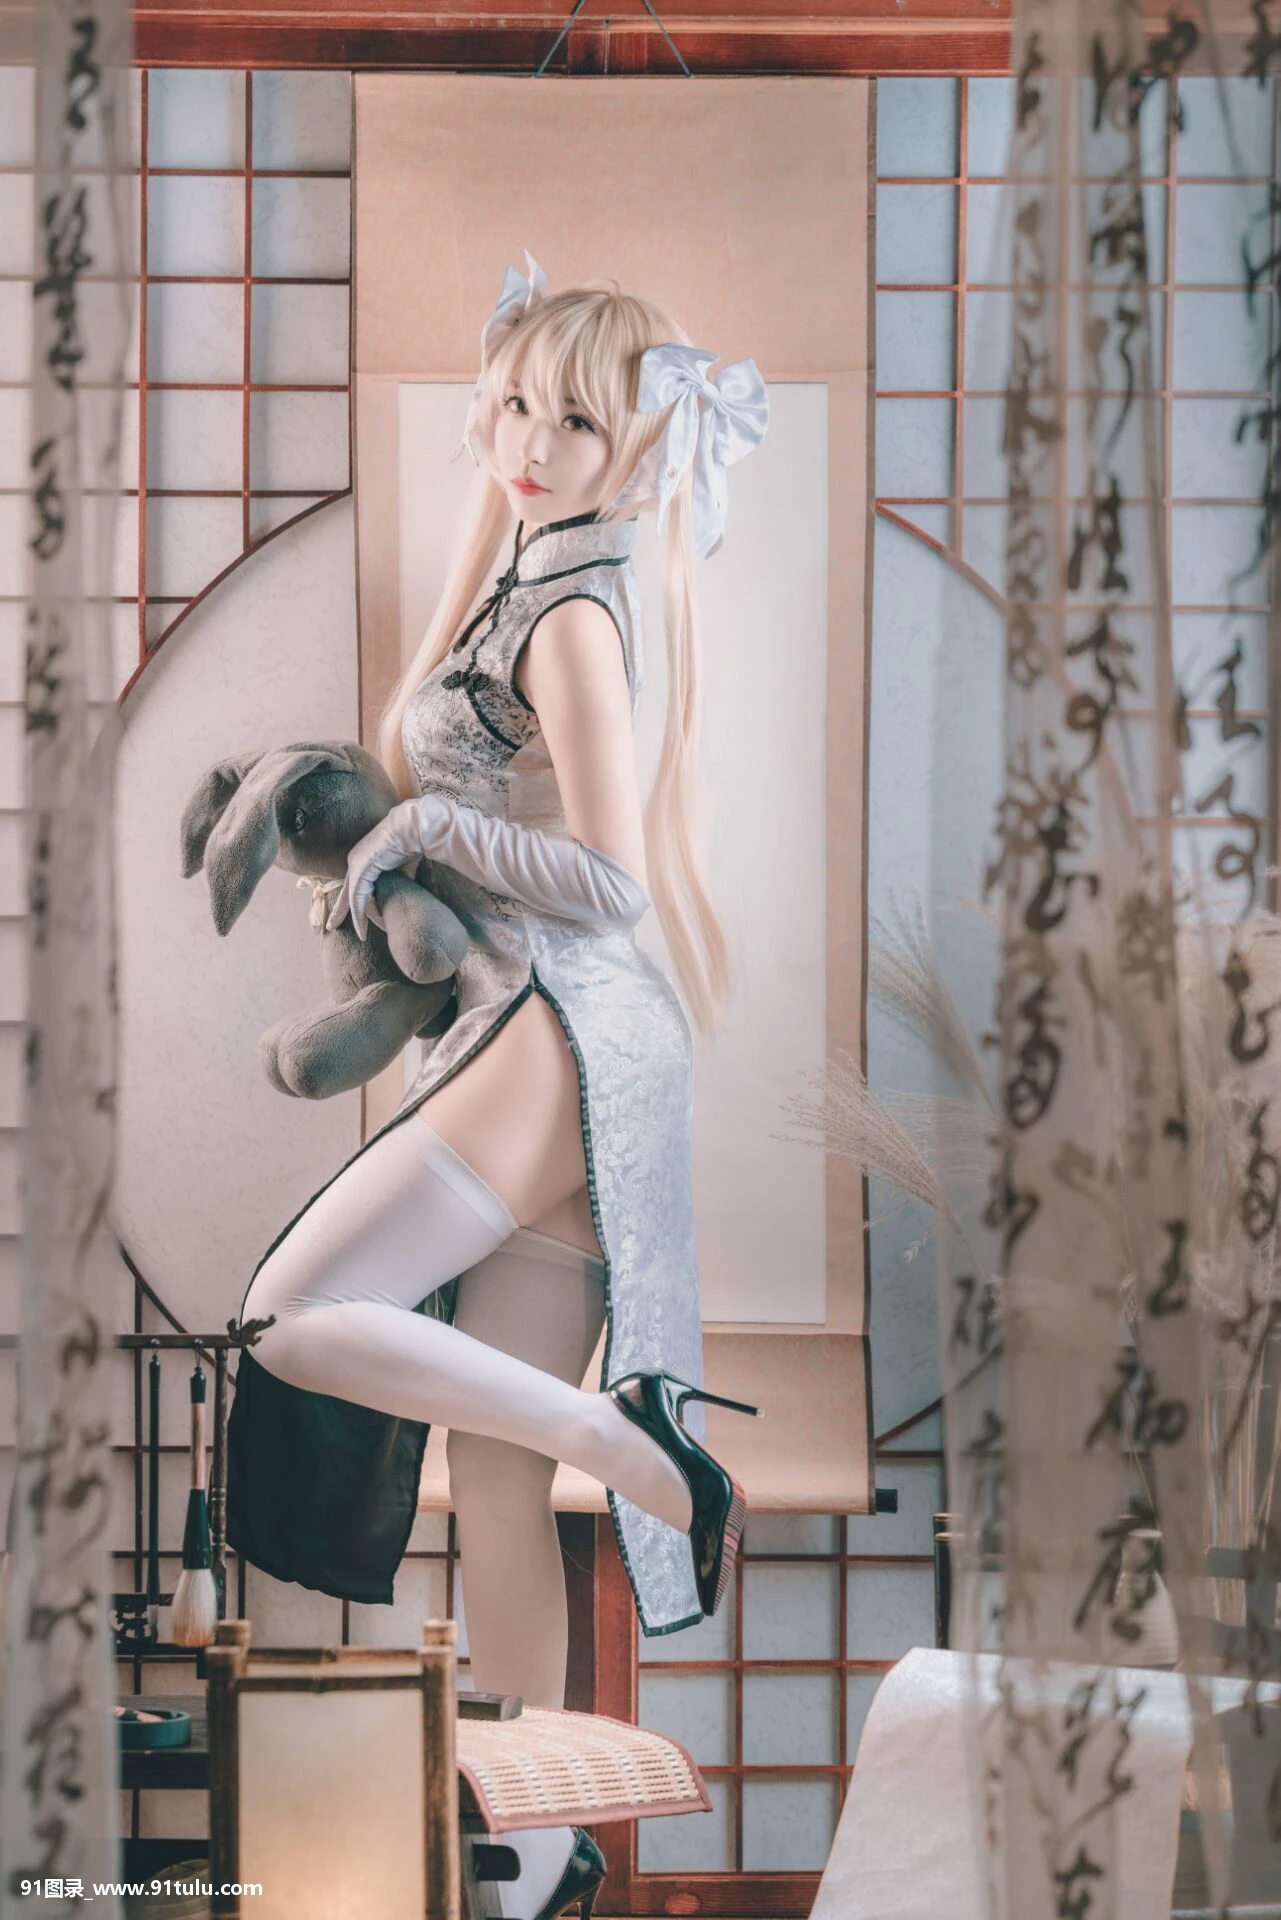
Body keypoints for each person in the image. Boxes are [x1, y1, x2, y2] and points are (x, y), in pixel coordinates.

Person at [227, 252, 768, 1919]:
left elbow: (609, 878)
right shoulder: (534, 575)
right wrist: (392, 871)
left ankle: (645, 1449)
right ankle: (533, 1865)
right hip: (561, 1037)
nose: (532, 443)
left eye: (578, 421)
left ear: (637, 442)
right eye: (518, 404)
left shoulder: (576, 614)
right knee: (503, 1495)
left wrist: (419, 826)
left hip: (565, 1024)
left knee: (293, 1313)